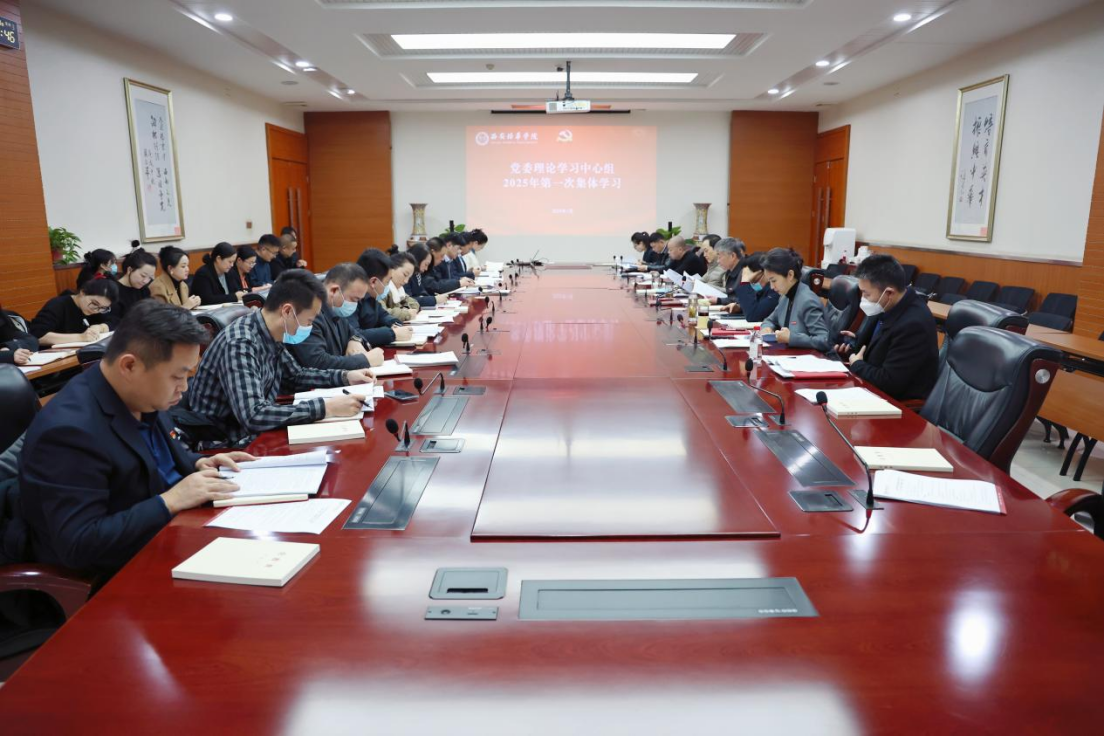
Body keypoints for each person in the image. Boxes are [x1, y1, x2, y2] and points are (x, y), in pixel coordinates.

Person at [18, 300, 252, 573]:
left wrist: (198, 463)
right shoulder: (69, 432)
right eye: (177, 376)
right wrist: (170, 501)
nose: (184, 387)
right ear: (129, 366)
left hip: (176, 530)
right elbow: (79, 544)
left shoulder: (141, 393)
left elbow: (154, 457)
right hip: (127, 566)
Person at [178, 270, 375, 443]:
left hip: (256, 437)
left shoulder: (272, 333)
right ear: (287, 311)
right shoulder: (240, 343)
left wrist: (345, 377)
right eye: (309, 321)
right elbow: (254, 415)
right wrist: (326, 408)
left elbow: (295, 377)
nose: (310, 327)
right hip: (227, 444)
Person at [834, 254, 940, 401]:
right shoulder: (888, 304)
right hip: (869, 390)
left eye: (866, 294)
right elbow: (882, 344)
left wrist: (857, 364)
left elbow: (889, 382)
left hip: (895, 404)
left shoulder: (914, 325)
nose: (863, 299)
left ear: (889, 293)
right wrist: (855, 344)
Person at [287, 263, 385, 371]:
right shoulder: (308, 313)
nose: (355, 305)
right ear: (334, 291)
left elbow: (355, 333)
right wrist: (365, 360)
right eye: (354, 299)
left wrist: (355, 340)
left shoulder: (336, 309)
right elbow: (316, 362)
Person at [760, 248, 831, 351]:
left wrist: (791, 338)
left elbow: (825, 340)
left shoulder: (807, 301)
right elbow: (770, 320)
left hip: (811, 358)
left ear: (790, 275)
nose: (771, 287)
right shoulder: (785, 296)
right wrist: (767, 328)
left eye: (774, 281)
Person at [350, 249, 416, 347]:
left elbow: (383, 316)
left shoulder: (372, 296)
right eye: (387, 282)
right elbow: (354, 335)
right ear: (373, 282)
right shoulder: (350, 299)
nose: (388, 286)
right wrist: (393, 334)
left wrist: (395, 324)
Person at [29, 278, 117, 347]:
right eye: (94, 303)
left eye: (103, 308)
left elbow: (114, 321)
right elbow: (38, 336)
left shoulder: (98, 308)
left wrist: (99, 327)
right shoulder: (58, 305)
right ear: (83, 292)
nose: (96, 310)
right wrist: (81, 337)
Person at [722, 252, 778, 322]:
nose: (752, 284)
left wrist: (745, 282)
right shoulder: (762, 290)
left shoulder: (775, 291)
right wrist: (740, 308)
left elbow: (753, 316)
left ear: (761, 272)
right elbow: (756, 306)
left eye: (754, 280)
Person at [109, 245, 157, 325]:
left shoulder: (144, 290)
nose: (146, 281)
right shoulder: (113, 291)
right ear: (130, 270)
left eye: (150, 277)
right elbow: (114, 321)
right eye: (143, 276)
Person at [149, 246, 202, 310]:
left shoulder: (183, 285)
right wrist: (186, 307)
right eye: (183, 266)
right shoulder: (157, 287)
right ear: (170, 268)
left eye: (187, 265)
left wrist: (193, 304)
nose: (187, 269)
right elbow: (161, 314)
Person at [382, 252, 423, 322]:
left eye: (409, 278)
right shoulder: (381, 288)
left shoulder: (398, 289)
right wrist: (405, 313)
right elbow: (382, 313)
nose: (406, 281)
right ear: (392, 268)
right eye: (405, 275)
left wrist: (405, 309)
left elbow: (414, 303)